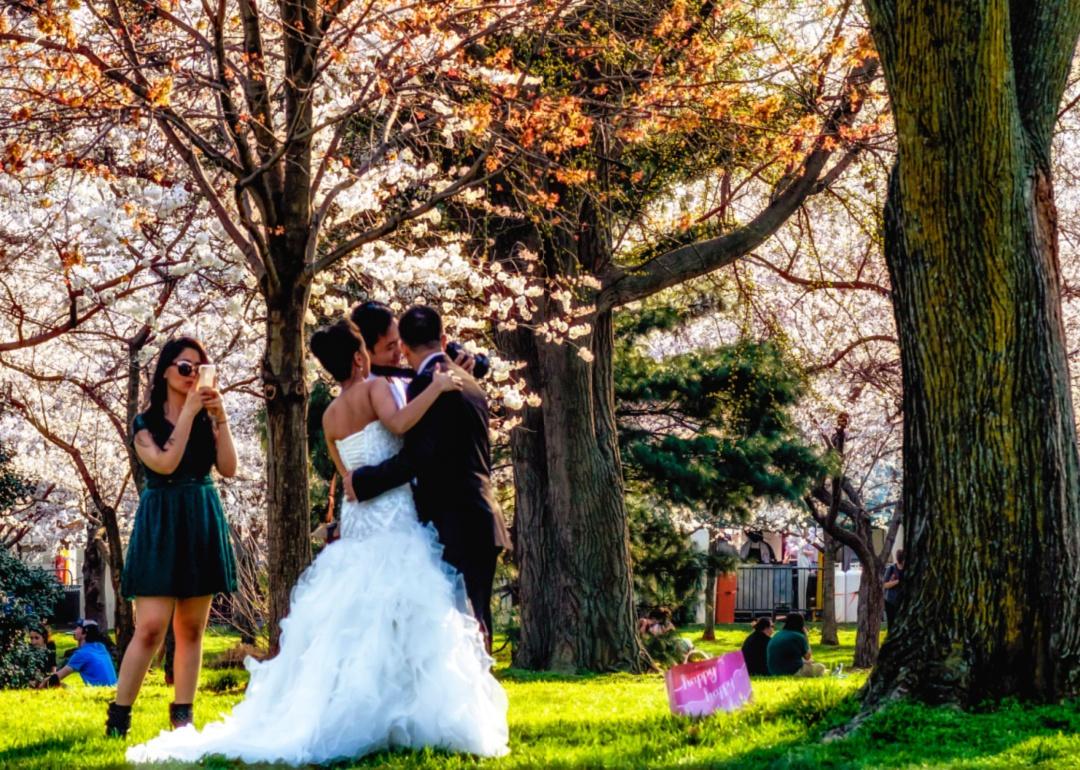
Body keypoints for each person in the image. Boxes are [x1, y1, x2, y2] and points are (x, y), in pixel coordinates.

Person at [125, 319, 508, 765]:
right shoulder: (379, 390)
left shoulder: (327, 415)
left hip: (360, 516)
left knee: (353, 617)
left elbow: (342, 472)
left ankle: (334, 710)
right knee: (404, 611)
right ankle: (401, 710)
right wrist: (436, 388)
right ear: (361, 356)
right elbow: (403, 427)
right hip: (391, 514)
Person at [347, 306, 512, 651]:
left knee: (459, 628)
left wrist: (363, 481)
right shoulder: (466, 379)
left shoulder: (428, 382)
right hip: (480, 515)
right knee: (474, 624)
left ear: (405, 347)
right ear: (444, 337)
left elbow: (417, 457)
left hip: (455, 520)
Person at [106, 336, 238, 738]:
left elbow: (229, 469)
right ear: (164, 370)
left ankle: (183, 718)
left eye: (198, 368)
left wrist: (221, 419)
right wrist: (189, 413)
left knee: (192, 629)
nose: (192, 375)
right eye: (184, 367)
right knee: (150, 626)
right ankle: (119, 716)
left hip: (200, 514)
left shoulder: (205, 417)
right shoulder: (144, 424)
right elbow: (164, 463)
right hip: (161, 521)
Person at [39, 619, 117, 688]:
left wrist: (43, 682)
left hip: (98, 693)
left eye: (78, 627)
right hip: (113, 690)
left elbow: (56, 678)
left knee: (59, 685)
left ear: (84, 633)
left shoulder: (82, 654)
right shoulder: (101, 647)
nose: (75, 630)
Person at [766, 612, 825, 677]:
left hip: (774, 671)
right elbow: (808, 656)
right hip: (791, 671)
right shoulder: (798, 636)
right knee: (821, 667)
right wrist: (806, 636)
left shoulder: (777, 634)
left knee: (806, 662)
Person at [883, 549, 904, 630]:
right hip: (891, 601)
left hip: (903, 601)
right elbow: (885, 585)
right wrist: (897, 582)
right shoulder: (891, 569)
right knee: (891, 624)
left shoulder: (908, 570)